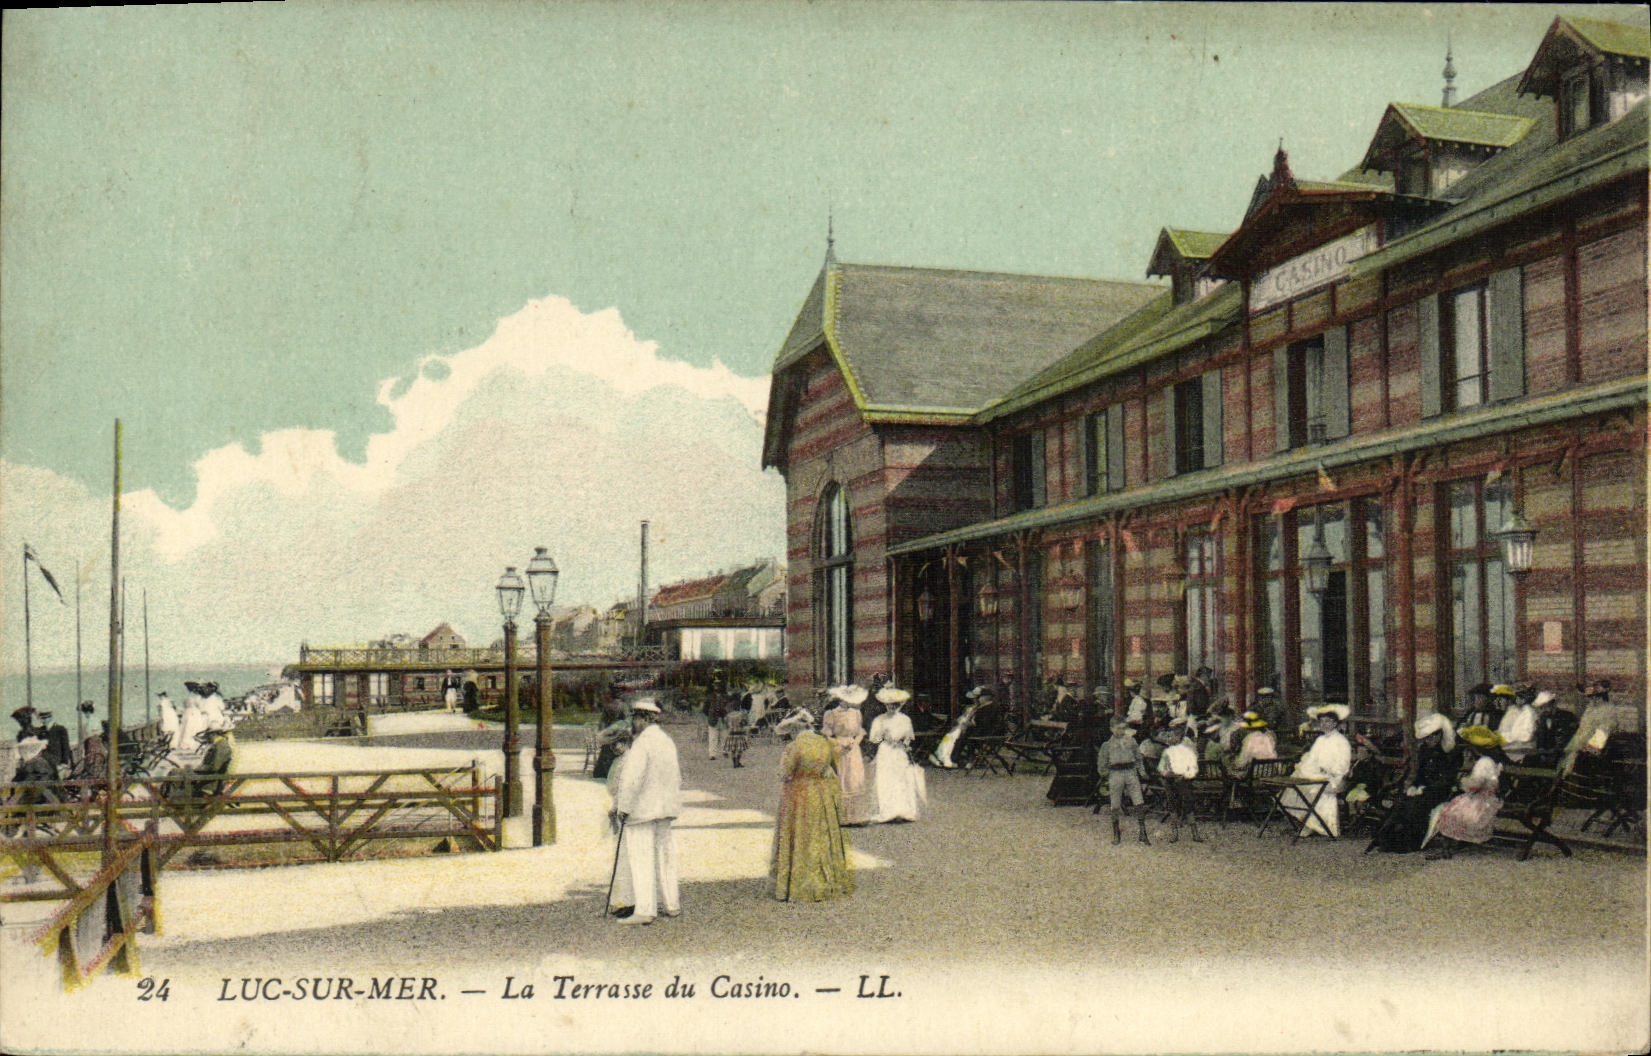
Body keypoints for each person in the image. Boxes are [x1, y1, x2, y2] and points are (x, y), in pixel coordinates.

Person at [607, 698, 682, 925]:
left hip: (642, 811)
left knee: (641, 859)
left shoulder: (641, 744)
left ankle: (645, 910)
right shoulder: (667, 741)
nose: (633, 724)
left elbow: (632, 780)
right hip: (665, 809)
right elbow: (676, 776)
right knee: (665, 857)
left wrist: (624, 807)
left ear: (643, 719)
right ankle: (672, 905)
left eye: (635, 719)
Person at [770, 729, 854, 902]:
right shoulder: (824, 744)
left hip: (798, 795)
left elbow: (785, 772)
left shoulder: (794, 746)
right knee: (821, 834)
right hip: (821, 794)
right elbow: (831, 769)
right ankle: (825, 880)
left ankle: (797, 882)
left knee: (800, 835)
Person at [1369, 711, 1460, 853]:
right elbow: (1420, 773)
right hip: (1424, 788)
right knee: (1401, 801)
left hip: (1439, 790)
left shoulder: (1450, 753)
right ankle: (1387, 839)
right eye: (1427, 737)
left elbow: (1447, 779)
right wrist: (1414, 786)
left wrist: (1425, 789)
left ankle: (1411, 842)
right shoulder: (1425, 750)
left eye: (1433, 736)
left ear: (1440, 735)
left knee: (1416, 805)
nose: (1429, 740)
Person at [1424, 726, 1507, 860]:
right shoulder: (1489, 761)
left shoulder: (1483, 763)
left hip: (1482, 800)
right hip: (1485, 797)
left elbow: (1475, 784)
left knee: (1450, 812)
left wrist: (1463, 782)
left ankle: (1446, 849)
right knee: (1453, 807)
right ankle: (1449, 846)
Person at [1279, 703, 1353, 837]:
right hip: (1319, 774)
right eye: (1322, 721)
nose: (1324, 724)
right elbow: (1312, 759)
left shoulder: (1341, 741)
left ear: (1335, 723)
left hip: (1335, 778)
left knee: (1315, 788)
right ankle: (1307, 821)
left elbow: (1343, 765)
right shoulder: (1320, 740)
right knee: (1297, 783)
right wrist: (1309, 768)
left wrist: (1328, 769)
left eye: (1328, 721)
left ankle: (1319, 824)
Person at [868, 684, 924, 823]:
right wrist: (883, 736)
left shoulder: (905, 719)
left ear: (899, 705)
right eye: (889, 705)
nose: (891, 707)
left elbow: (908, 737)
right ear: (885, 705)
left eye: (894, 705)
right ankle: (887, 811)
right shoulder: (879, 719)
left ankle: (903, 810)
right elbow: (874, 738)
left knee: (901, 778)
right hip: (886, 751)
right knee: (886, 778)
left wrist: (904, 743)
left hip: (899, 751)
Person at [820, 686, 870, 825]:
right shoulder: (831, 714)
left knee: (854, 778)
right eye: (844, 699)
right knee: (841, 778)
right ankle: (842, 816)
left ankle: (856, 816)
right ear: (839, 699)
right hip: (838, 748)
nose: (846, 702)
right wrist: (838, 745)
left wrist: (854, 743)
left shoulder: (856, 713)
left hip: (853, 749)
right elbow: (827, 734)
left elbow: (860, 732)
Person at [1097, 716, 1150, 845]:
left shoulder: (1131, 741)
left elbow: (1138, 758)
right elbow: (1101, 764)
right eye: (1118, 728)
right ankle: (1116, 833)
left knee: (1139, 802)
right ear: (1111, 729)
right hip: (1115, 773)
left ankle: (1143, 832)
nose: (1121, 731)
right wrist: (1107, 774)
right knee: (1115, 805)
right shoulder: (1107, 745)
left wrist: (1142, 772)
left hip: (1130, 772)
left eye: (1123, 728)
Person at [1157, 718, 1204, 843]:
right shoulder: (1169, 742)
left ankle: (1194, 832)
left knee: (1188, 803)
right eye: (1175, 729)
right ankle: (1174, 832)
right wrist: (1164, 773)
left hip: (1182, 777)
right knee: (1172, 804)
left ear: (1184, 729)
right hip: (1169, 777)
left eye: (1180, 728)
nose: (1177, 731)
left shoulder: (1187, 743)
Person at [931, 685, 989, 769]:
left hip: (976, 732)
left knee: (958, 736)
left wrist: (968, 722)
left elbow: (979, 723)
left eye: (976, 698)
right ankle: (943, 756)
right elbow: (963, 719)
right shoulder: (973, 708)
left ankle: (953, 758)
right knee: (951, 735)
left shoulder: (985, 709)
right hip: (966, 729)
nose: (974, 700)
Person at [1496, 684, 1538, 762]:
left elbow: (1526, 735)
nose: (1518, 700)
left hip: (1524, 750)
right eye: (1517, 697)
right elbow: (1503, 730)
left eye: (1521, 697)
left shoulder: (1530, 712)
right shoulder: (1512, 712)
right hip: (1509, 749)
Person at [725, 696, 750, 768]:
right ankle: (738, 761)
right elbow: (744, 723)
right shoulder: (741, 714)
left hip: (731, 734)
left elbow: (726, 723)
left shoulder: (728, 715)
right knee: (739, 749)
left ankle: (734, 762)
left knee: (733, 749)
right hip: (739, 733)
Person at [706, 693, 729, 760]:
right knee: (713, 738)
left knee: (724, 737)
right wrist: (710, 716)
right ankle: (712, 754)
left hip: (723, 720)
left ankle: (725, 751)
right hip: (713, 720)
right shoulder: (709, 698)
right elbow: (705, 709)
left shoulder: (725, 697)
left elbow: (728, 709)